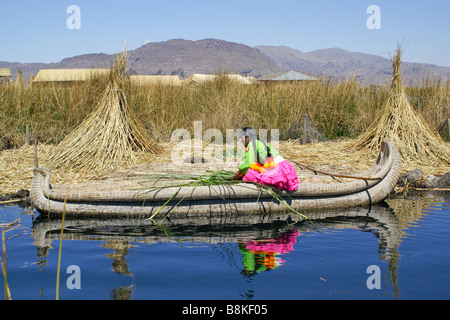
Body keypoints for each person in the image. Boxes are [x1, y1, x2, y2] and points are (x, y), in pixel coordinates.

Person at [232, 127, 299, 192]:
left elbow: (247, 164)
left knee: (250, 174)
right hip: (285, 168)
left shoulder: (252, 144)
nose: (241, 140)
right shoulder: (259, 142)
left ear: (248, 138)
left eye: (242, 138)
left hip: (277, 169)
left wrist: (238, 175)